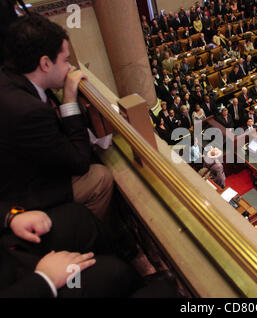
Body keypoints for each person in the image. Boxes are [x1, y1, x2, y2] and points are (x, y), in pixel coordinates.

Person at [0, 14, 113, 220]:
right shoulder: (30, 111)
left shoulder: (7, 78)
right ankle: (86, 232)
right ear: (45, 63)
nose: (70, 68)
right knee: (100, 178)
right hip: (18, 197)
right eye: (66, 60)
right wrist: (69, 99)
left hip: (14, 172)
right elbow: (79, 162)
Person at [0, 201, 178, 297]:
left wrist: (10, 216)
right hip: (29, 289)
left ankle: (135, 281)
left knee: (77, 217)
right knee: (111, 273)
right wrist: (44, 281)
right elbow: (77, 160)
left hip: (8, 255)